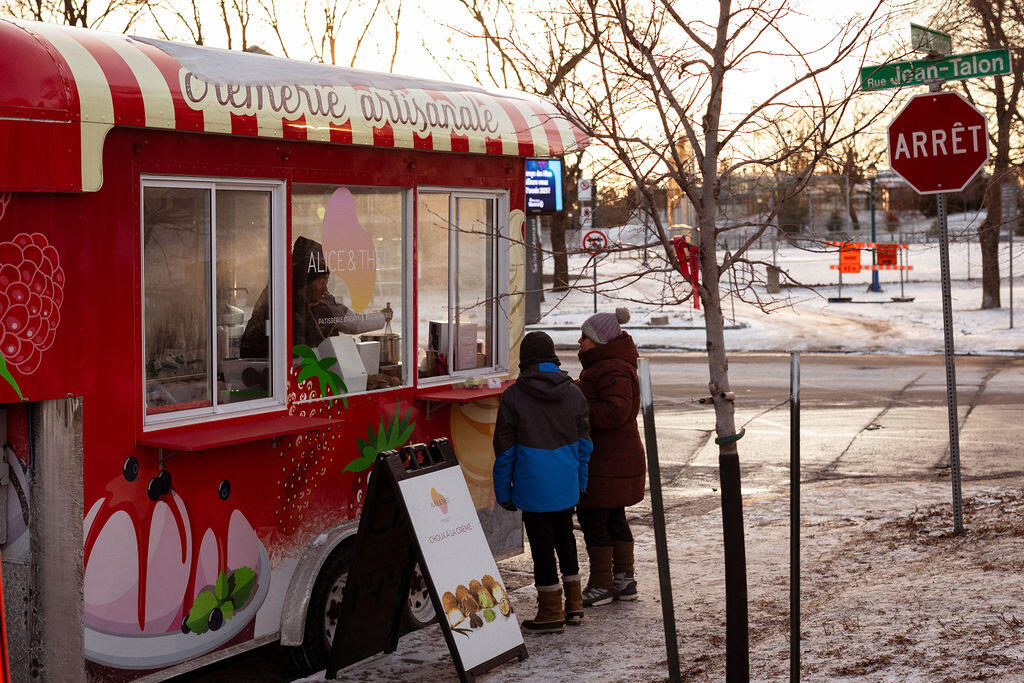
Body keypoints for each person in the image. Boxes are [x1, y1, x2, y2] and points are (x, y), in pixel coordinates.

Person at [492, 331, 592, 633]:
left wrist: (502, 491)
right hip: (566, 485)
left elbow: (505, 451)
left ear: (524, 359)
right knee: (565, 538)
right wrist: (580, 482)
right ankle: (574, 606)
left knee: (542, 546)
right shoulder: (574, 392)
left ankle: (550, 612)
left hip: (532, 486)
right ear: (552, 357)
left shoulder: (513, 395)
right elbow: (585, 445)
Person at [575, 307, 645, 607]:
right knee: (613, 516)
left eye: (585, 337)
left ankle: (602, 584)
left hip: (608, 459)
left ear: (600, 340)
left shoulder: (612, 368)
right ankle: (624, 581)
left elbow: (617, 410)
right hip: (613, 458)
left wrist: (577, 410)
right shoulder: (608, 366)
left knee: (592, 516)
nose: (580, 342)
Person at [240, 236, 392, 358]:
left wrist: (381, 316)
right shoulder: (277, 303)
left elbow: (354, 324)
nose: (326, 288)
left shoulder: (323, 304)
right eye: (322, 280)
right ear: (305, 282)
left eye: (327, 280)